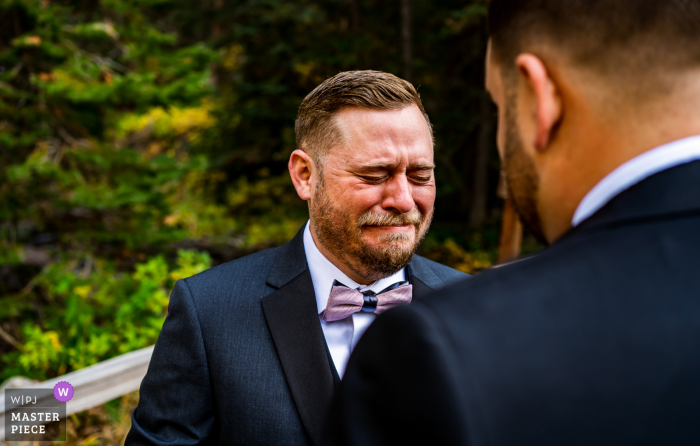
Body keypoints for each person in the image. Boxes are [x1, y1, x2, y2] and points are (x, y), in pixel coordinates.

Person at [329, 0, 700, 445]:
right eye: (373, 174)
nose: (403, 198)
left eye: (500, 106)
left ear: (539, 98)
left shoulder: (447, 349)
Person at [124, 70, 467, 446]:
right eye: (373, 174)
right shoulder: (208, 313)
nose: (403, 199)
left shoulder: (474, 307)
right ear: (305, 175)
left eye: (420, 174)